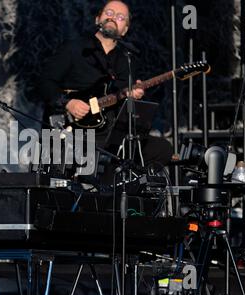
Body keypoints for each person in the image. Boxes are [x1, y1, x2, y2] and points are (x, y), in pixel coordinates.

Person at [38, 0, 172, 175]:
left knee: (162, 148)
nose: (113, 18)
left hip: (107, 136)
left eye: (120, 17)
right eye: (109, 13)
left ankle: (115, 193)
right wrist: (68, 103)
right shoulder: (75, 48)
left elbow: (122, 111)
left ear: (125, 30)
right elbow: (44, 83)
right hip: (70, 133)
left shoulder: (128, 60)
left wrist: (132, 99)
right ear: (97, 19)